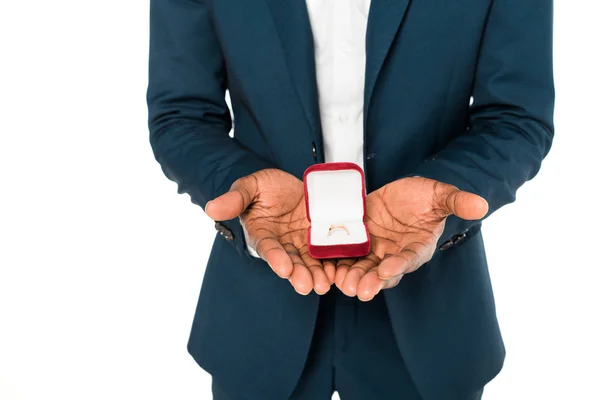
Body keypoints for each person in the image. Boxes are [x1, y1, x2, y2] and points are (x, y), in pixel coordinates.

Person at [146, 0, 554, 398]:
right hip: (259, 319)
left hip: (431, 322)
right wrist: (241, 184)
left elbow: (515, 118)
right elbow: (182, 115)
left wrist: (446, 189)